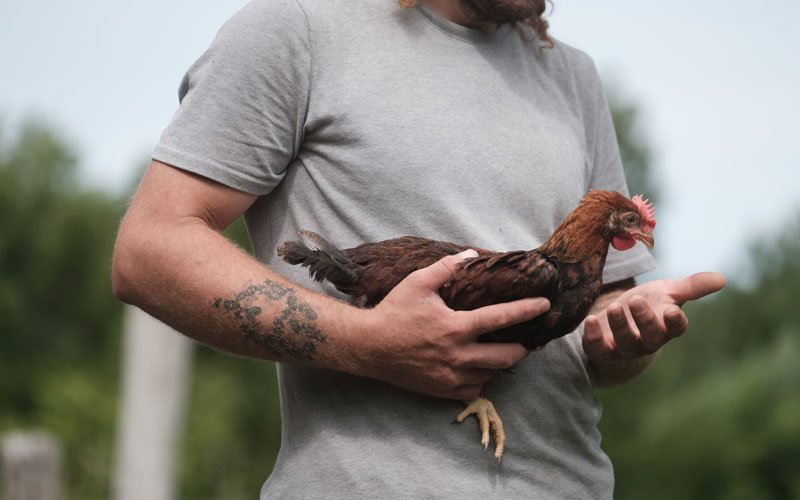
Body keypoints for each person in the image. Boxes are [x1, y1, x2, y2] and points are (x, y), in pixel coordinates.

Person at [112, 0, 725, 497]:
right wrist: (367, 344)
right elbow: (149, 250)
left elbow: (600, 328)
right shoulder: (296, 28)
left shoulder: (573, 76)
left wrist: (622, 334)